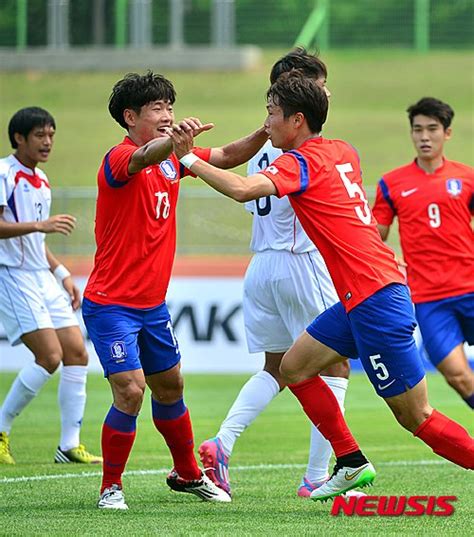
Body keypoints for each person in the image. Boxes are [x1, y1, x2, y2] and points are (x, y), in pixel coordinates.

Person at [168, 71, 474, 501]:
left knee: (416, 417)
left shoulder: (298, 162)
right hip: (363, 297)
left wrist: (188, 159)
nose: (267, 123)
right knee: (292, 367)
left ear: (296, 120)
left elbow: (241, 189)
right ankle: (349, 461)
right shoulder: (341, 149)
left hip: (376, 299)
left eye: (271, 114)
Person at [82, 71, 268, 510]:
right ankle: (111, 487)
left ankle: (187, 474)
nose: (167, 115)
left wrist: (267, 129)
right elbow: (145, 155)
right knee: (130, 391)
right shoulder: (119, 157)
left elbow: (224, 156)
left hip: (151, 306)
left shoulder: (173, 160)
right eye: (157, 109)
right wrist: (176, 142)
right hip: (111, 305)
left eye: (170, 107)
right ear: (130, 117)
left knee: (171, 386)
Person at [198, 49, 362, 500]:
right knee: (335, 366)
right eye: (319, 83)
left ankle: (222, 443)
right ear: (302, 93)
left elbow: (230, 156)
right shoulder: (304, 152)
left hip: (261, 266)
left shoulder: (265, 145)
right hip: (300, 263)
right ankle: (317, 475)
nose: (326, 91)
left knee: (275, 367)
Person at [0, 106, 101, 466]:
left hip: (41, 276)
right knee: (49, 356)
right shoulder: (4, 173)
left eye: (52, 135)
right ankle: (1, 429)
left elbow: (37, 243)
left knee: (77, 352)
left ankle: (68, 445)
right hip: (11, 274)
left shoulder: (41, 181)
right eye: (40, 135)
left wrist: (62, 275)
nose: (48, 142)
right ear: (19, 138)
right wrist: (39, 227)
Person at [372, 97, 474, 407]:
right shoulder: (391, 183)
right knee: (458, 375)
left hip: (471, 286)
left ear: (447, 133)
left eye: (432, 129)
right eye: (418, 130)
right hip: (430, 299)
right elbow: (376, 234)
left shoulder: (468, 177)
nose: (424, 137)